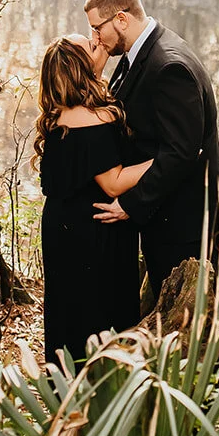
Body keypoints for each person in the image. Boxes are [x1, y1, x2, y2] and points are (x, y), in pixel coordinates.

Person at [85, 0, 219, 298]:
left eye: (97, 29)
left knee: (188, 316)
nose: (95, 39)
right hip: (170, 213)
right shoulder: (138, 54)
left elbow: (182, 152)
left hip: (187, 219)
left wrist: (130, 204)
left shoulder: (169, 66)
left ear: (122, 19)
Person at [36, 34, 153, 367]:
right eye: (91, 46)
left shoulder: (59, 115)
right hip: (94, 229)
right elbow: (114, 183)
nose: (98, 43)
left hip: (61, 225)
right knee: (100, 305)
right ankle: (102, 387)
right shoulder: (96, 119)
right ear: (79, 68)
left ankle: (64, 383)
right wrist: (164, 160)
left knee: (67, 304)